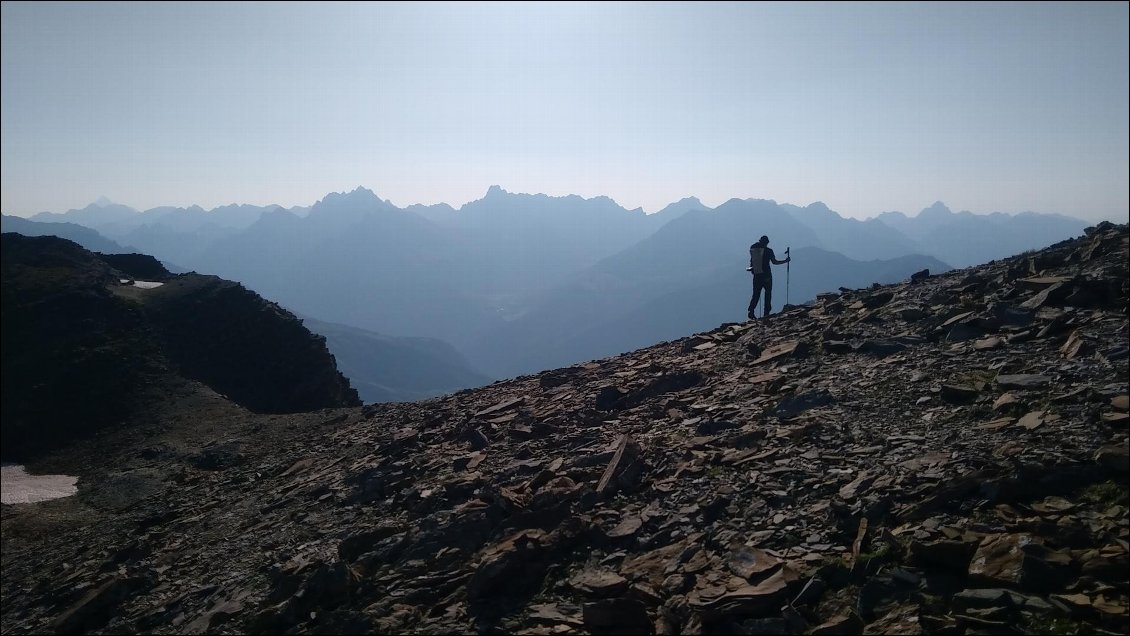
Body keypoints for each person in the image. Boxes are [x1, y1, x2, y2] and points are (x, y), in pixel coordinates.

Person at [747, 235, 790, 321]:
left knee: (756, 294)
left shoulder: (754, 249)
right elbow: (774, 262)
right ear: (767, 243)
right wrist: (785, 261)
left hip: (757, 275)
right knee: (768, 294)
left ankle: (751, 311)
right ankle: (766, 313)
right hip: (767, 276)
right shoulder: (769, 251)